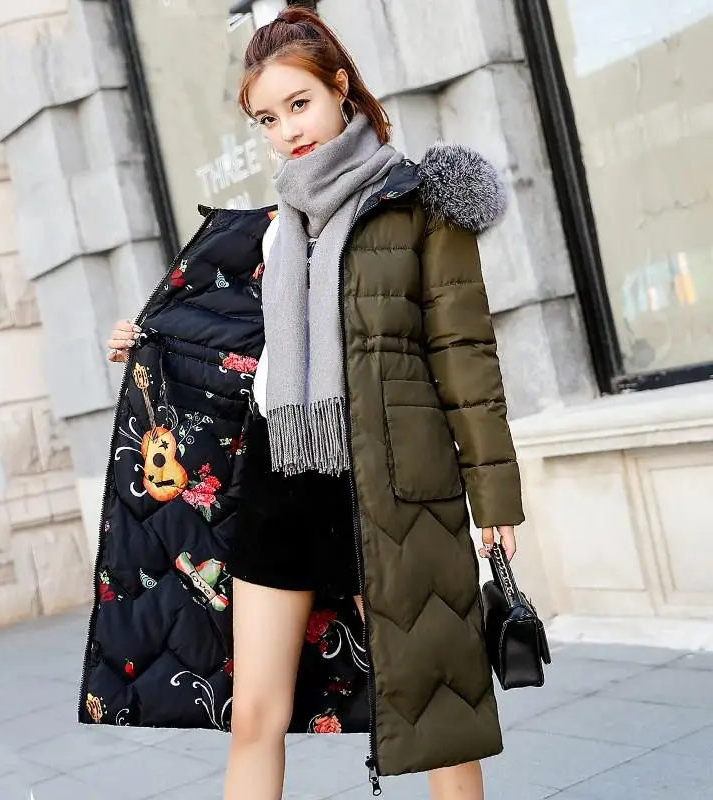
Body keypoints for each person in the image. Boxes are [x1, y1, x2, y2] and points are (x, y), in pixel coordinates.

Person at [96, 8, 523, 800]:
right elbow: (235, 350)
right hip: (281, 478)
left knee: (434, 710)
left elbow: (464, 356)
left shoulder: (420, 204)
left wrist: (495, 498)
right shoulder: (273, 232)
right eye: (267, 118)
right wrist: (146, 346)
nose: (287, 130)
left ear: (339, 89)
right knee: (255, 713)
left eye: (299, 104)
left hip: (387, 485)